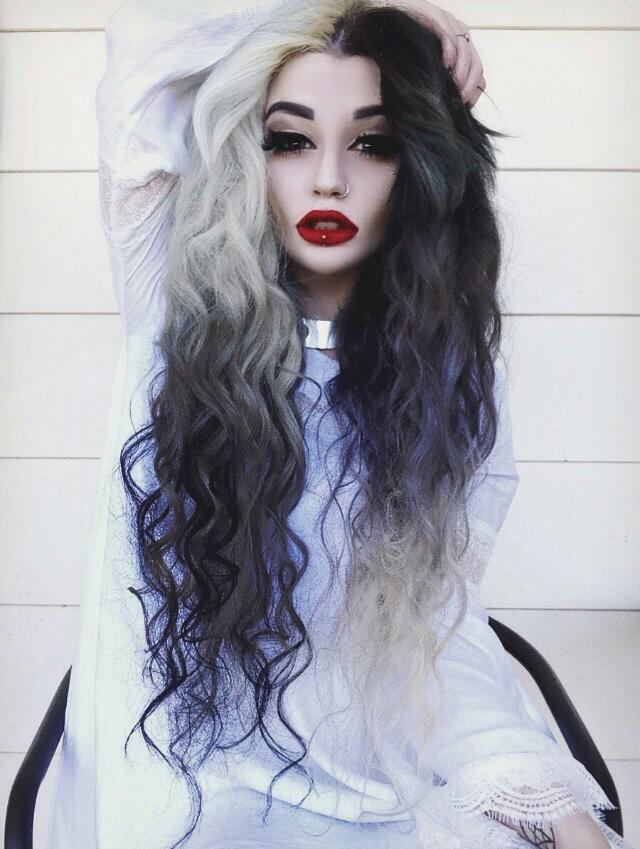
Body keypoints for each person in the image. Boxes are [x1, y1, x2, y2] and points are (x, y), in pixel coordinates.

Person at [45, 1, 632, 848]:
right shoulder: (168, 302)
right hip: (181, 801)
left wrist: (551, 805)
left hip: (377, 793)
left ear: (418, 167)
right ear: (247, 156)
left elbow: (436, 634)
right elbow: (150, 37)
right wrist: (373, 6)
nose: (328, 180)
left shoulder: (452, 379)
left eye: (372, 144)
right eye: (289, 140)